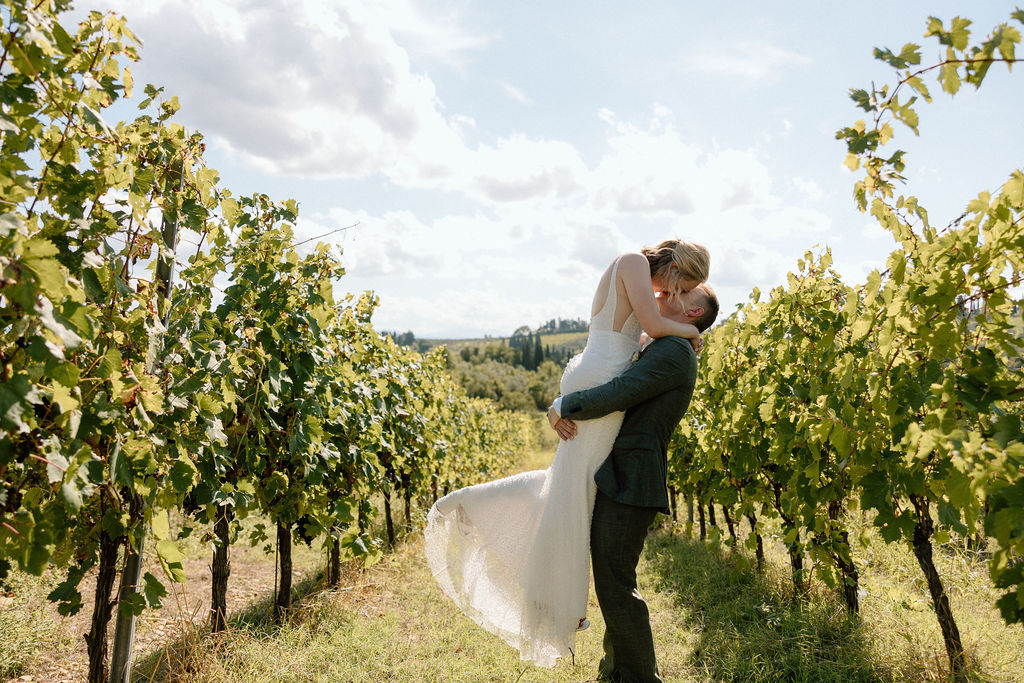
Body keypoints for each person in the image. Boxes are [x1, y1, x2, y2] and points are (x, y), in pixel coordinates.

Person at [424, 240, 709, 667]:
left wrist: (681, 330)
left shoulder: (646, 294)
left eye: (685, 292)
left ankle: (555, 600)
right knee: (572, 497)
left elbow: (645, 330)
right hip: (601, 379)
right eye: (684, 283)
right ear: (678, 267)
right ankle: (556, 602)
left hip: (598, 374)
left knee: (568, 490)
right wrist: (690, 331)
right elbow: (650, 325)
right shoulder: (633, 263)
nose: (675, 293)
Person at [549, 282, 719, 682]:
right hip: (623, 473)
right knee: (613, 581)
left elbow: (623, 391)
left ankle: (638, 677)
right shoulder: (671, 343)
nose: (665, 294)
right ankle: (617, 671)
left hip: (634, 477)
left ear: (694, 312)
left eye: (681, 294)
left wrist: (563, 406)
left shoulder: (674, 353)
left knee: (616, 584)